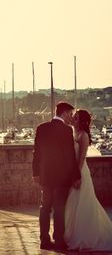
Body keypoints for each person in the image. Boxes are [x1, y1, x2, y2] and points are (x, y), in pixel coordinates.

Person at [32, 102, 81, 251]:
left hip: (45, 175)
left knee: (44, 207)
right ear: (65, 113)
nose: (70, 118)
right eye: (70, 115)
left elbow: (37, 153)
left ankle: (44, 240)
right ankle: (59, 240)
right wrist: (76, 176)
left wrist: (36, 173)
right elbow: (70, 156)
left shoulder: (41, 128)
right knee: (59, 208)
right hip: (62, 177)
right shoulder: (66, 131)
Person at [64, 109, 112, 251]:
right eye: (73, 116)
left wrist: (77, 176)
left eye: (76, 117)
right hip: (73, 171)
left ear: (82, 121)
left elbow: (82, 158)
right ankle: (72, 234)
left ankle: (85, 236)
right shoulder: (72, 133)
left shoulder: (83, 135)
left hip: (80, 172)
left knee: (83, 203)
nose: (73, 119)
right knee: (73, 203)